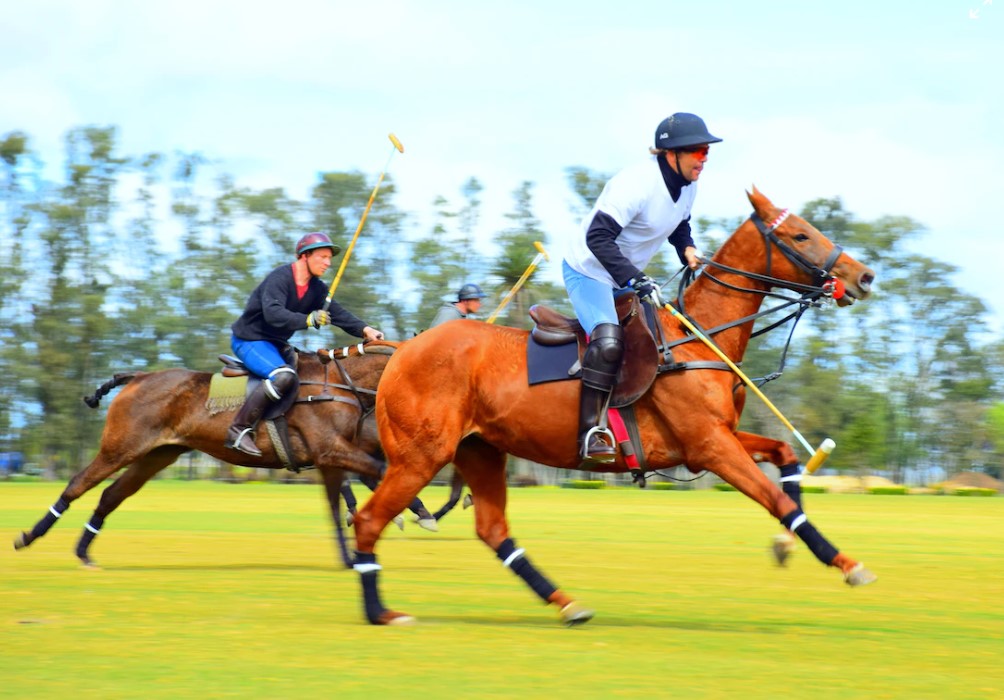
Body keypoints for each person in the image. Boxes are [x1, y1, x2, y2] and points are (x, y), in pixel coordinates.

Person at [561, 112, 721, 463]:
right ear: (670, 153)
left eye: (706, 151)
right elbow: (597, 238)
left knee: (661, 343)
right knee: (606, 341)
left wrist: (687, 248)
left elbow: (680, 223)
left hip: (622, 275)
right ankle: (591, 432)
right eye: (697, 151)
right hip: (587, 270)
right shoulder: (636, 184)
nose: (704, 158)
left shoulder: (688, 185)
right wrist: (634, 277)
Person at [226, 232, 384, 457]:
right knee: (283, 376)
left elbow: (337, 313)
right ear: (304, 256)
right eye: (322, 257)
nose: (328, 263)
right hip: (249, 340)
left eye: (329, 258)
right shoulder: (279, 278)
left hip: (277, 344)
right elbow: (273, 314)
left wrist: (365, 330)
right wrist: (307, 319)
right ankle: (238, 429)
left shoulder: (317, 288)